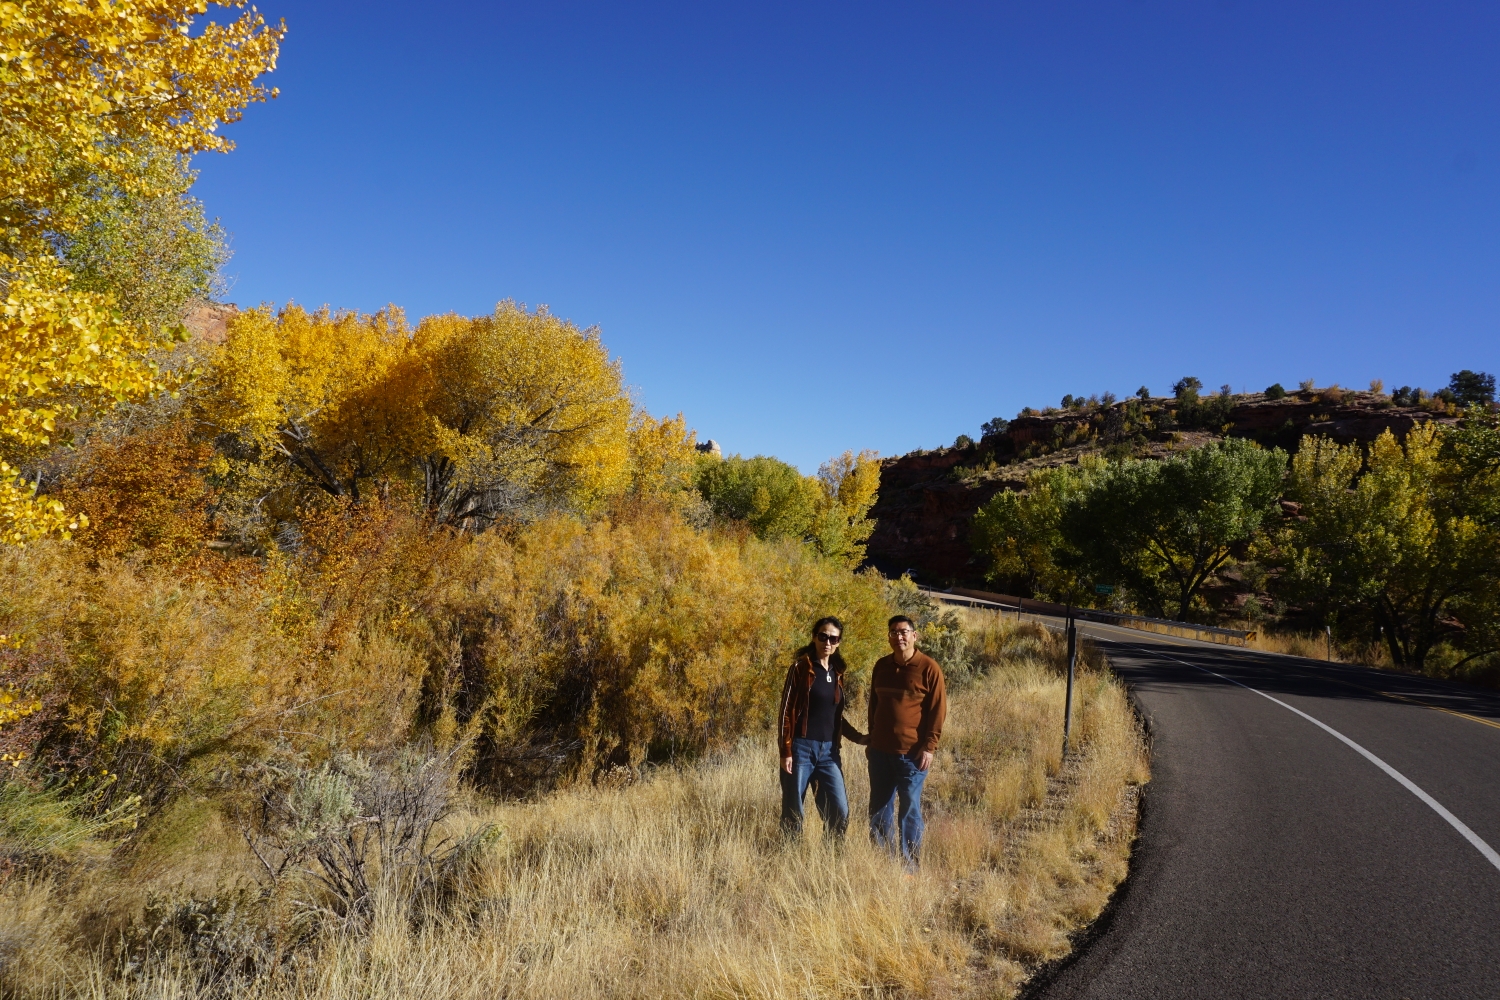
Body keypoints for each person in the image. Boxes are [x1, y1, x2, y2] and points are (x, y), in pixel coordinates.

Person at [865, 614, 947, 865]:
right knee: (879, 807)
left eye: (903, 632)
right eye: (893, 632)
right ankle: (883, 861)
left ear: (914, 635)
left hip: (912, 754)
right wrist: (871, 738)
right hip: (880, 751)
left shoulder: (929, 668)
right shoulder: (881, 666)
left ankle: (910, 866)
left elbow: (938, 710)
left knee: (909, 809)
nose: (898, 637)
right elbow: (874, 705)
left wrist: (929, 747)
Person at [777, 616, 867, 839]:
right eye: (823, 636)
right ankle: (788, 857)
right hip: (801, 749)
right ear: (814, 637)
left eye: (833, 638)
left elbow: (835, 715)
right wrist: (786, 750)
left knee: (839, 810)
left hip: (829, 752)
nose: (828, 642)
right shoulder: (801, 668)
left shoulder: (837, 672)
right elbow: (786, 711)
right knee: (793, 810)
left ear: (839, 642)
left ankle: (831, 859)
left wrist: (858, 737)